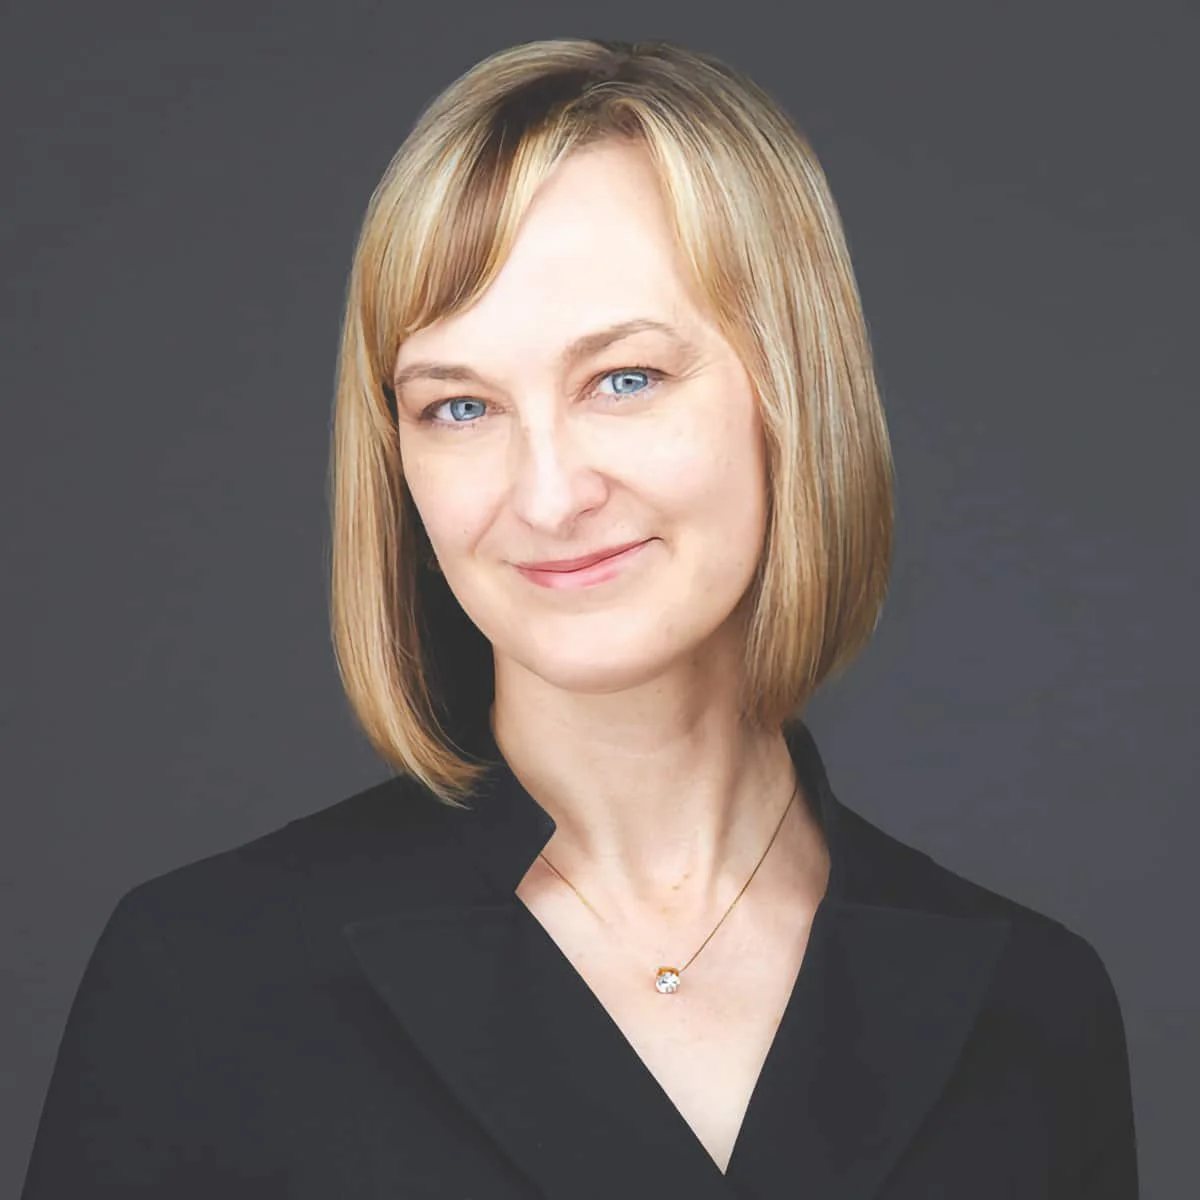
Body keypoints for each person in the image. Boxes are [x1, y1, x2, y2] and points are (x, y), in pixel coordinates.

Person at [21, 37, 1138, 1198]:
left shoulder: (1032, 1010)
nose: (548, 496)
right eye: (460, 406)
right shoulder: (207, 977)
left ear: (793, 391)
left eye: (625, 380)